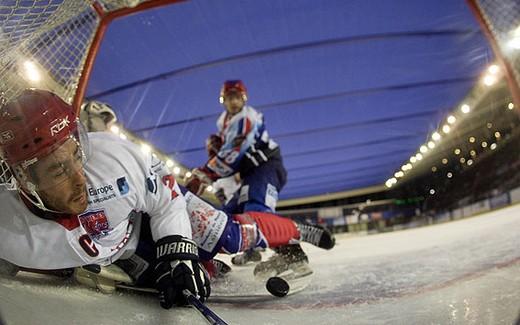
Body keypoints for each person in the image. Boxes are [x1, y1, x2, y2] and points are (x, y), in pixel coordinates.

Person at [0, 89, 334, 301]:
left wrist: (178, 250)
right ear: (22, 179)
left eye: (77, 154)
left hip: (147, 213)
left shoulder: (114, 156)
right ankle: (208, 265)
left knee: (230, 236)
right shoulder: (8, 229)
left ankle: (294, 229)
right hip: (125, 243)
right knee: (186, 274)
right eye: (58, 170)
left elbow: (166, 199)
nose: (80, 179)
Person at [185, 80, 310, 271]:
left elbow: (233, 151)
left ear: (243, 99)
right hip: (251, 173)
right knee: (233, 212)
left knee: (257, 211)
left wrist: (204, 175)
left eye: (237, 97)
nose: (233, 102)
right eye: (229, 98)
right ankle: (252, 251)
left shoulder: (245, 119)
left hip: (266, 167)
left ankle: (293, 256)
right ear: (223, 101)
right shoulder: (226, 124)